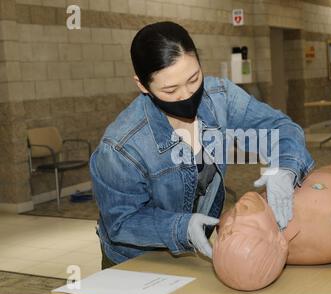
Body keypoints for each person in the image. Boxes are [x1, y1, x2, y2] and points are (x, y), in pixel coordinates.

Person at [89, 21, 315, 269]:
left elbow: (280, 127)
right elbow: (122, 222)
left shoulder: (220, 96)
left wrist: (284, 167)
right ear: (142, 85)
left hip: (196, 250)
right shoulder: (121, 148)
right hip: (134, 260)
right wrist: (182, 227)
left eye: (194, 78)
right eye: (170, 89)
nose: (186, 95)